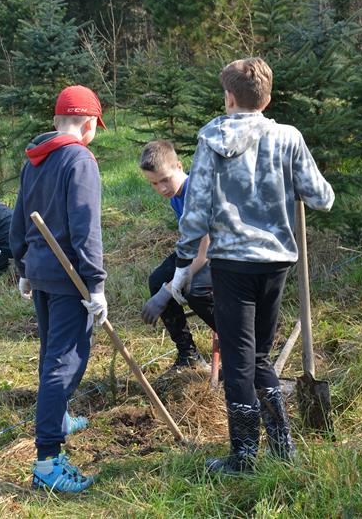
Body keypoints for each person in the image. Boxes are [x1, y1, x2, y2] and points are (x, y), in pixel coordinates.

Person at [169, 57, 334, 474]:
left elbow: (197, 208)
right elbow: (323, 197)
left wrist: (183, 261)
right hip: (276, 262)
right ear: (268, 97)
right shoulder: (289, 138)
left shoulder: (211, 140)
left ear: (228, 97)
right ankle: (281, 446)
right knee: (259, 355)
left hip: (232, 265)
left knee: (241, 361)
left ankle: (243, 457)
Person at [9, 85, 108, 493]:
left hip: (42, 270)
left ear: (56, 121)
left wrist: (22, 266)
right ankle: (48, 460)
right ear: (88, 125)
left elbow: (18, 217)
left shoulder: (35, 160)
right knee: (64, 362)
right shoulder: (79, 159)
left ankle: (60, 416)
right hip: (69, 278)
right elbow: (86, 226)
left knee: (51, 353)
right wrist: (96, 284)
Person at [139, 140, 215, 371]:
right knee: (156, 279)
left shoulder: (197, 193)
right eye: (154, 183)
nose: (162, 188)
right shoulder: (176, 195)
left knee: (194, 291)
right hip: (196, 251)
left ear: (179, 167)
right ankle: (188, 354)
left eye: (165, 179)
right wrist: (165, 285)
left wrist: (168, 290)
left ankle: (240, 344)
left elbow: (204, 255)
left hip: (223, 255)